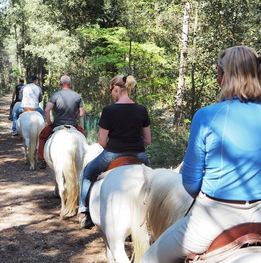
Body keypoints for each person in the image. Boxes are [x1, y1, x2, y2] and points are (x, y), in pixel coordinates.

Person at [141, 46, 261, 263]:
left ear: (223, 76)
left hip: (214, 218)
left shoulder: (207, 116)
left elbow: (191, 182)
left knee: (149, 258)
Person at [78, 74, 151, 229]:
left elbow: (102, 142)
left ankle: (86, 211)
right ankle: (151, 216)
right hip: (139, 154)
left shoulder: (109, 110)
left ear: (117, 89)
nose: (111, 93)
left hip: (113, 154)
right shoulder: (141, 110)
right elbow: (147, 141)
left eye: (111, 90)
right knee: (152, 182)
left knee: (86, 174)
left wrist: (115, 147)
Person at [37, 75, 87, 169]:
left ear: (60, 84)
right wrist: (75, 115)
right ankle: (85, 158)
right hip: (73, 125)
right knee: (83, 135)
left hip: (58, 124)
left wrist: (49, 123)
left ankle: (41, 159)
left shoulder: (55, 95)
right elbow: (82, 113)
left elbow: (47, 110)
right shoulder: (77, 96)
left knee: (42, 136)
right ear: (70, 84)